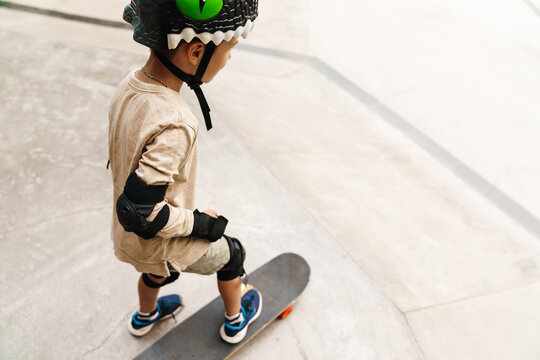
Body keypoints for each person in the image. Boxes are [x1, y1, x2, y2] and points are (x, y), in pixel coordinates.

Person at [107, 0, 261, 344]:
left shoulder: (130, 84)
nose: (229, 58)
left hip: (126, 240)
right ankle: (236, 321)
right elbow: (143, 214)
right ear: (194, 52)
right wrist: (201, 223)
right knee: (232, 253)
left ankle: (144, 317)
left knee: (154, 271)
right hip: (158, 243)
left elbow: (135, 204)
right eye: (229, 47)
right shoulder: (174, 121)